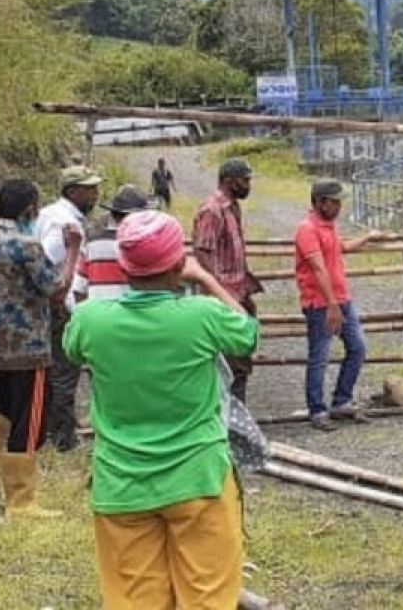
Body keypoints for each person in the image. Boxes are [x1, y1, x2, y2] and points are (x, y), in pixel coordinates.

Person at [65, 210, 258, 609]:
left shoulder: (90, 321)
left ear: (124, 266)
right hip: (198, 479)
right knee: (206, 597)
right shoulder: (200, 318)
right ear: (176, 265)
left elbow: (70, 348)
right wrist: (205, 277)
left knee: (134, 601)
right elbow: (248, 334)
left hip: (121, 485)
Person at [0, 179, 82, 518]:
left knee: (5, 408)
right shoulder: (27, 245)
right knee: (30, 420)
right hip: (26, 347)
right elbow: (56, 289)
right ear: (31, 209)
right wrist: (72, 250)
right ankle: (21, 501)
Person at [294, 180, 389, 428]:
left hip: (340, 299)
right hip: (320, 303)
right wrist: (331, 305)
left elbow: (341, 248)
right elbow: (318, 269)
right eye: (334, 202)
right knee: (320, 356)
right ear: (320, 202)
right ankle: (317, 409)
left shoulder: (328, 227)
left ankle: (341, 401)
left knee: (357, 348)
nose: (338, 206)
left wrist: (368, 237)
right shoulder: (307, 229)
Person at [34, 164, 102, 452]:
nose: (96, 195)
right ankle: (63, 438)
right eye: (90, 190)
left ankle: (55, 431)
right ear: (73, 192)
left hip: (55, 304)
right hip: (60, 305)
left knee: (57, 370)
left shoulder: (53, 213)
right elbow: (47, 259)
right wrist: (58, 298)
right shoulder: (63, 222)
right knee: (64, 372)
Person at [193, 157, 263, 402]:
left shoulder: (231, 208)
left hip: (237, 294)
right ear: (229, 180)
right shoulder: (211, 210)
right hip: (224, 299)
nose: (248, 185)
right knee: (231, 365)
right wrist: (217, 294)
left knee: (241, 362)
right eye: (244, 180)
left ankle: (237, 424)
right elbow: (203, 252)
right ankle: (231, 426)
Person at [75, 184, 150, 304]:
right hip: (133, 315)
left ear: (113, 214)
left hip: (98, 315)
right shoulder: (145, 243)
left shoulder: (92, 240)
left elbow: (79, 288)